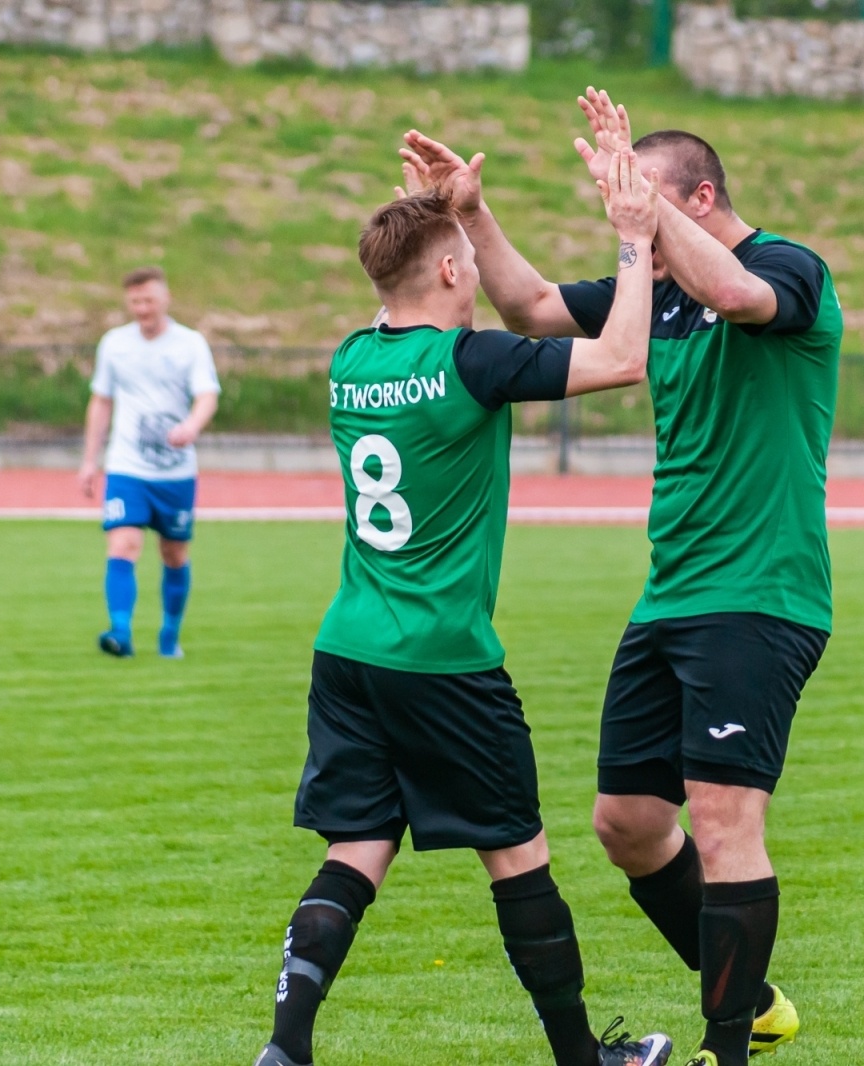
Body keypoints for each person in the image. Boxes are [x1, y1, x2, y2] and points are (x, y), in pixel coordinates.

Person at [401, 86, 843, 1066]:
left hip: (760, 593)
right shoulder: (665, 284)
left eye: (637, 193)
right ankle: (756, 999)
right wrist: (469, 210)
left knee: (726, 818)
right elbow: (530, 307)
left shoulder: (787, 270)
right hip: (672, 593)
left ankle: (724, 1046)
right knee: (629, 824)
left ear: (697, 195)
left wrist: (639, 225)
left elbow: (736, 295)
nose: (620, 212)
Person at [255, 157, 671, 1066]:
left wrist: (455, 212)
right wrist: (635, 242)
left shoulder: (352, 359)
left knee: (356, 849)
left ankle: (285, 1048)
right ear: (449, 272)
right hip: (444, 659)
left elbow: (398, 288)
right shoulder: (470, 361)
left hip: (349, 650)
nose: (478, 271)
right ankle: (582, 1058)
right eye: (467, 260)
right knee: (517, 856)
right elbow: (624, 359)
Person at [77, 267, 219, 659]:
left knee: (174, 554)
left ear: (165, 299)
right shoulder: (114, 344)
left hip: (175, 472)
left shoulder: (189, 343)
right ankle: (120, 632)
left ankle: (169, 634)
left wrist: (191, 424)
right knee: (123, 544)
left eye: (149, 300)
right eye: (135, 301)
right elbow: (101, 400)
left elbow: (207, 394)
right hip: (126, 466)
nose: (142, 308)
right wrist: (91, 460)